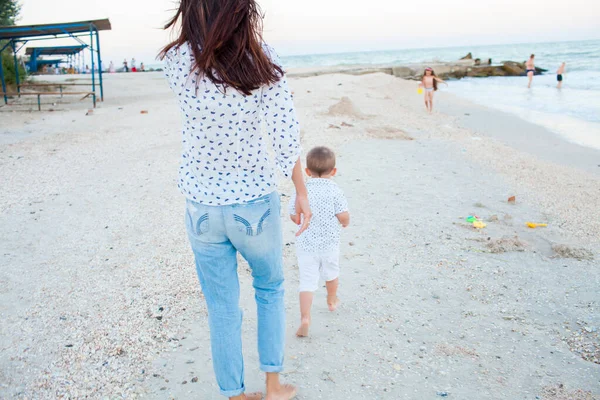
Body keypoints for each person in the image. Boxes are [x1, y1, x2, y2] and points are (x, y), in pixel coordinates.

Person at [160, 0, 311, 399]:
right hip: (253, 203)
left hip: (201, 207)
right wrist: (301, 191)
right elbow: (284, 135)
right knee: (270, 287)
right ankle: (274, 386)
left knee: (222, 308)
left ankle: (236, 394)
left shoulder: (176, 61)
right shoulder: (260, 60)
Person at [288, 147, 349, 338]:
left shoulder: (302, 190)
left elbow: (294, 214)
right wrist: (345, 222)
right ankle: (331, 300)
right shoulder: (335, 190)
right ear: (334, 171)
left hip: (307, 247)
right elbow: (343, 215)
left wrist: (298, 219)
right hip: (329, 245)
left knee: (307, 282)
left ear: (307, 172)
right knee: (331, 274)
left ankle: (305, 318)